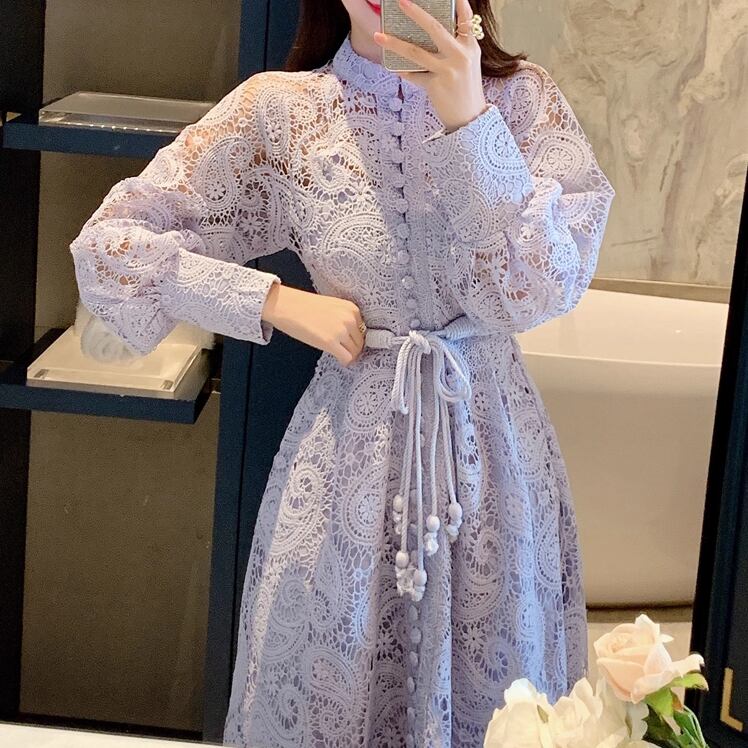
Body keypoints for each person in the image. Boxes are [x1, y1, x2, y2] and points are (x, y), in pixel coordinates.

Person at [68, 0, 616, 743]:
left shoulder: (523, 101)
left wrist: (469, 119)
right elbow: (110, 248)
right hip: (345, 469)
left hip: (494, 457)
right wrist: (272, 301)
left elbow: (539, 288)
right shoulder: (285, 113)